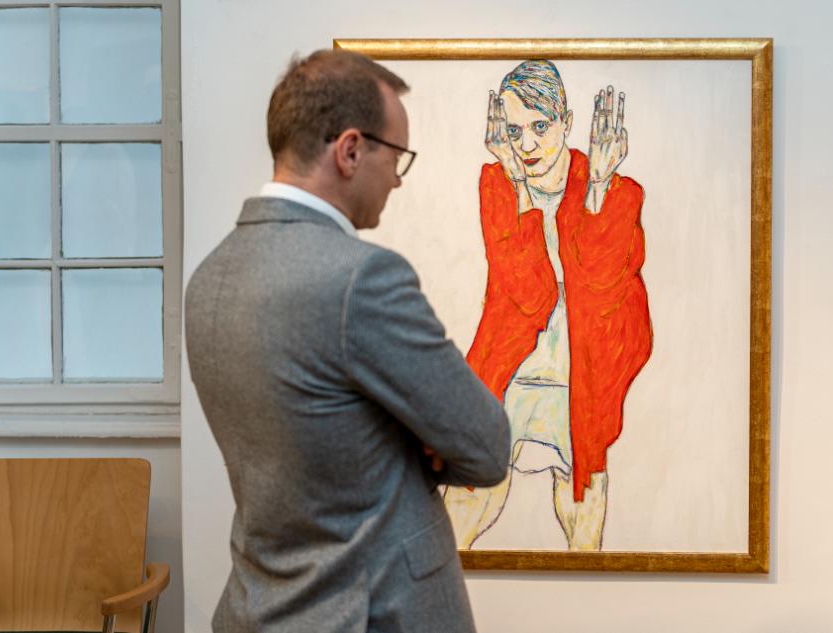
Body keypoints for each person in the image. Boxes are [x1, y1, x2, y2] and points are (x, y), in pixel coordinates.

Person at [185, 49, 510, 633]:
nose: (398, 179)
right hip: (373, 613)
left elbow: (314, 443)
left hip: (257, 611)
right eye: (397, 157)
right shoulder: (361, 280)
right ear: (351, 150)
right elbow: (485, 446)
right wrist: (419, 435)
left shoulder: (209, 278)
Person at [443, 60, 652, 551]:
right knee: (467, 500)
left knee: (582, 496)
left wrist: (597, 187)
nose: (528, 145)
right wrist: (519, 184)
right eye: (515, 131)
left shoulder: (617, 190)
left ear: (567, 122)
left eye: (540, 127)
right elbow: (530, 292)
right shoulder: (497, 183)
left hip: (585, 365)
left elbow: (600, 285)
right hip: (514, 361)